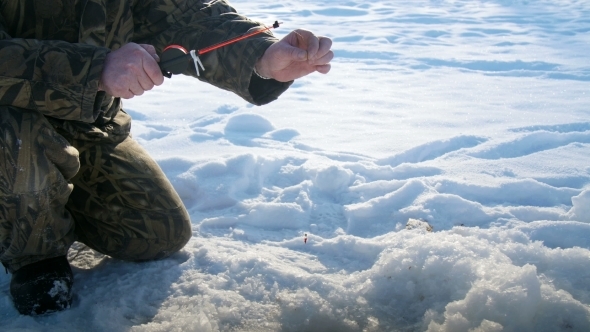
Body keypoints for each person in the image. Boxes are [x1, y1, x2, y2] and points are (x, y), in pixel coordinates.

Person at [0, 0, 333, 315]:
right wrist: (93, 69)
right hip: (11, 126)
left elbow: (185, 14)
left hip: (88, 124)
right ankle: (34, 256)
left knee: (156, 232)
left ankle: (44, 197)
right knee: (17, 143)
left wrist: (262, 56)